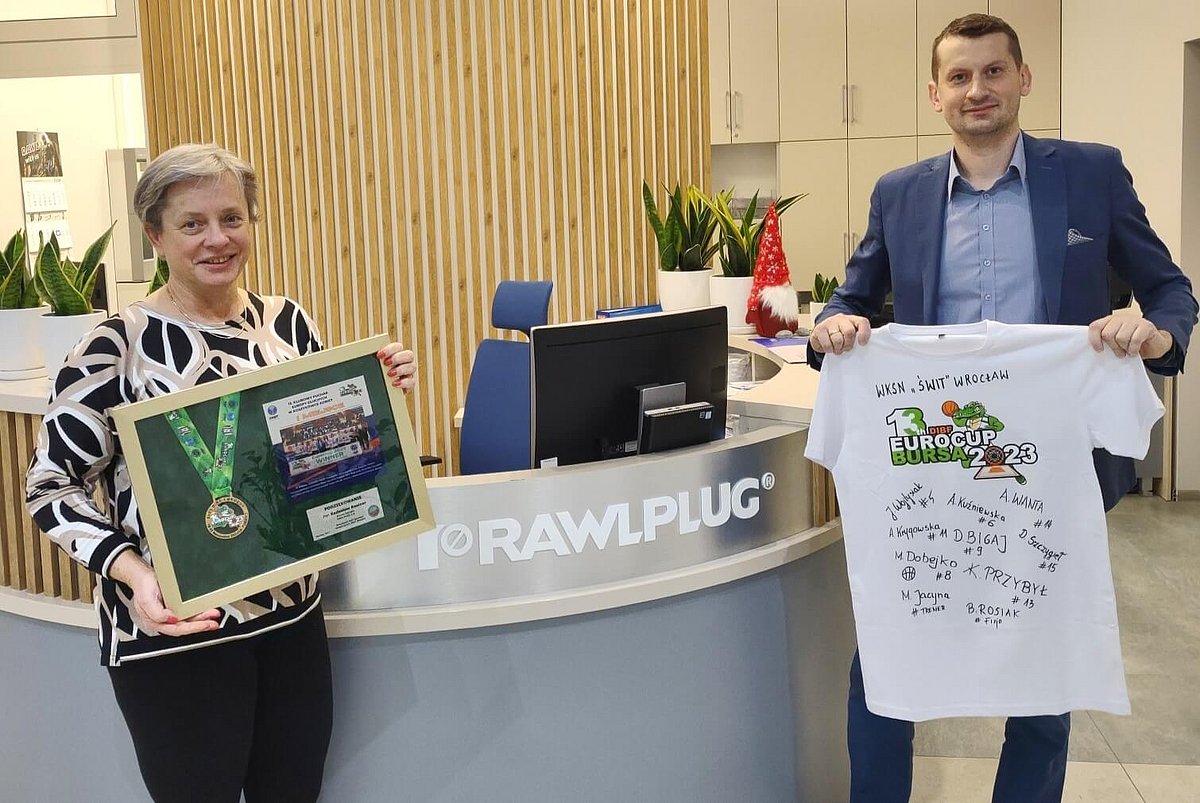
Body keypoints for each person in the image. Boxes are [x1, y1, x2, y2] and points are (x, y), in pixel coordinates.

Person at [806, 14, 1198, 803]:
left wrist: (1156, 334)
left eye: (993, 71)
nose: (976, 89)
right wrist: (834, 326)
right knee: (884, 664)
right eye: (959, 76)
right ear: (935, 94)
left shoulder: (1090, 174)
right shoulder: (899, 194)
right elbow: (849, 301)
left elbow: (1170, 291)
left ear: (1023, 78)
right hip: (929, 469)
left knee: (1042, 676)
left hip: (1048, 468)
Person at [25, 143, 418, 803]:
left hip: (291, 622)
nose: (218, 239)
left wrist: (376, 401)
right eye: (193, 223)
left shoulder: (286, 323)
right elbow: (50, 486)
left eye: (232, 218)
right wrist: (137, 575)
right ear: (155, 235)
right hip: (176, 634)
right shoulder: (113, 346)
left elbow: (319, 460)